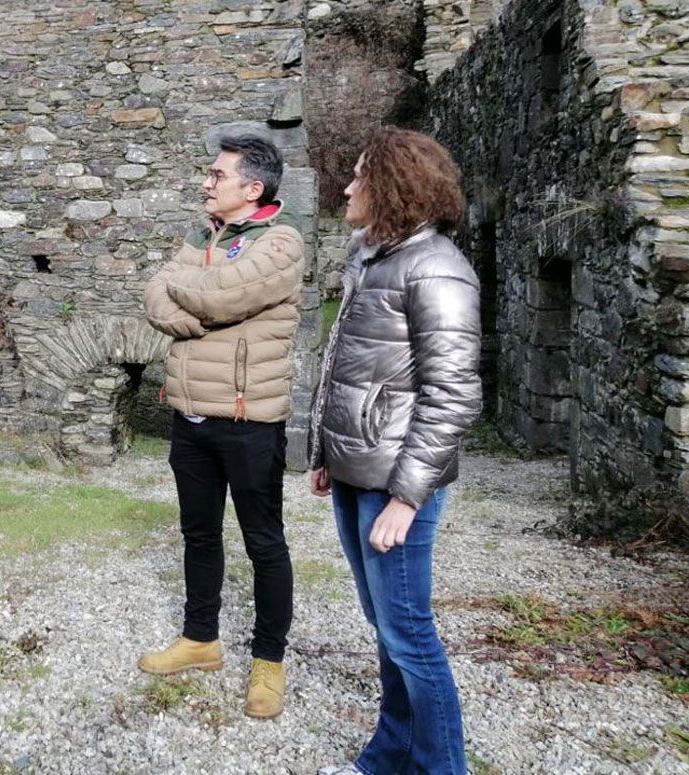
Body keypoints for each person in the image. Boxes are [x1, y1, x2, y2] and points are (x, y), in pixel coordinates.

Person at [308, 127, 480, 775]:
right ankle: (388, 759)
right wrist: (327, 451)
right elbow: (348, 367)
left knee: (410, 635)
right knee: (387, 629)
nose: (347, 186)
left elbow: (452, 395)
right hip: (357, 471)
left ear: (392, 186)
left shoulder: (437, 267)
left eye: (358, 176)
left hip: (396, 484)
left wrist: (408, 497)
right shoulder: (371, 256)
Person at [140, 123, 305, 719]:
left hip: (249, 419)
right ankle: (200, 640)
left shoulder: (281, 243)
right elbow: (156, 292)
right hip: (190, 415)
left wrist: (181, 288)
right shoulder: (200, 235)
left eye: (217, 175)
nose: (206, 183)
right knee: (199, 534)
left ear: (252, 187)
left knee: (264, 543)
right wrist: (180, 300)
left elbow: (222, 298)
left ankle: (268, 662)